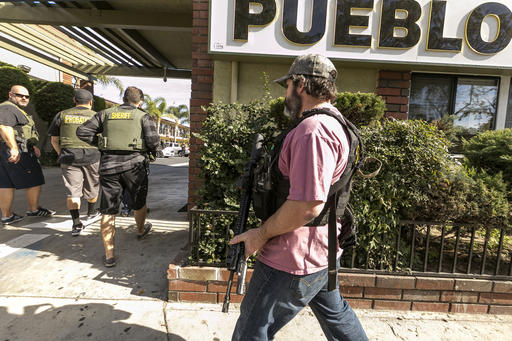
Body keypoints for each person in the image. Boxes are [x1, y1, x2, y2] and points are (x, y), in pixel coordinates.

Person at [229, 54, 368, 340]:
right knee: (337, 316)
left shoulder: (313, 131)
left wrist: (260, 234)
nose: (286, 92)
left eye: (288, 84)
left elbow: (307, 205)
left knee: (252, 331)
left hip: (293, 257)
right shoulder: (335, 123)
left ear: (301, 84)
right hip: (321, 251)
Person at [76, 86, 160, 268]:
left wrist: (103, 144)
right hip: (135, 167)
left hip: (108, 166)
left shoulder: (104, 114)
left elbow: (82, 132)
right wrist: (151, 152)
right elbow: (153, 141)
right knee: (139, 202)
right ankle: (140, 230)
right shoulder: (143, 116)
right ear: (140, 101)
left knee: (108, 210)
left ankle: (109, 255)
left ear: (123, 98)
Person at [48, 89, 100, 236]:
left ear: (74, 100)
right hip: (92, 156)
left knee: (73, 191)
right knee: (92, 186)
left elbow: (54, 139)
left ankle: (76, 224)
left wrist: (61, 153)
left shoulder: (62, 115)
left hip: (69, 157)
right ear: (91, 102)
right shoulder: (97, 116)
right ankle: (91, 213)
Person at [0, 85, 55, 225]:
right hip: (15, 149)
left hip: (9, 149)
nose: (24, 98)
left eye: (27, 96)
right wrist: (13, 148)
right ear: (10, 94)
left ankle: (7, 216)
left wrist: (33, 146)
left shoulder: (14, 109)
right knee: (36, 179)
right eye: (19, 95)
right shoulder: (8, 108)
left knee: (6, 183)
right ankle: (34, 209)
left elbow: (20, 130)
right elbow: (4, 126)